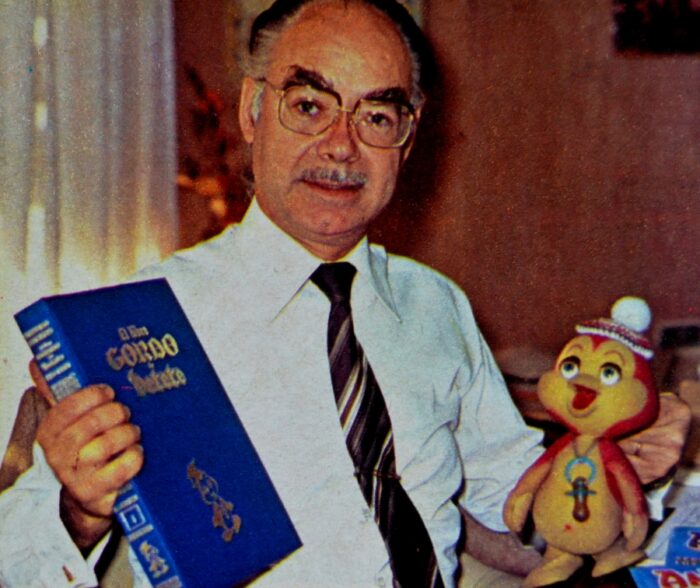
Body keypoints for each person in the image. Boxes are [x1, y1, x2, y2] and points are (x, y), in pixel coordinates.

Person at [0, 1, 690, 586]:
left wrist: (621, 470)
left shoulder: (436, 306)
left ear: (407, 139)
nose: (341, 147)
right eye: (309, 106)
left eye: (376, 118)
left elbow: (516, 513)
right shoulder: (143, 317)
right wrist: (78, 512)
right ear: (253, 110)